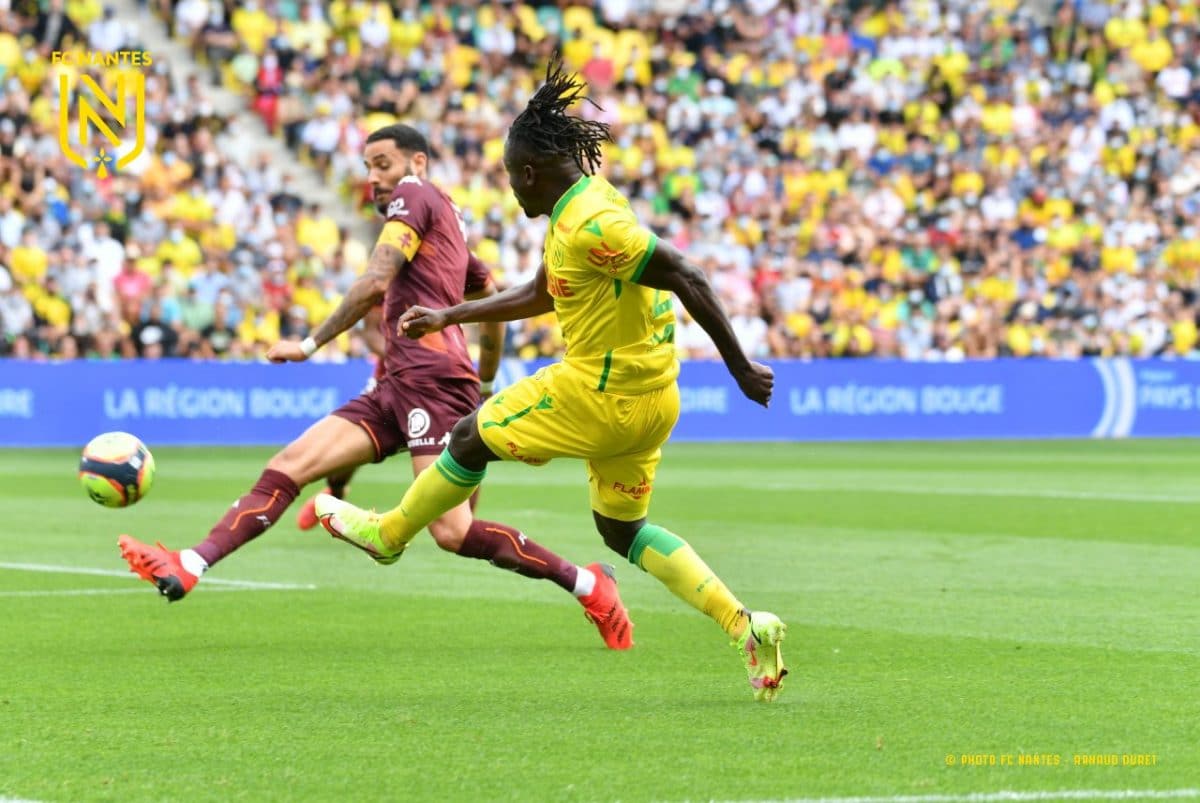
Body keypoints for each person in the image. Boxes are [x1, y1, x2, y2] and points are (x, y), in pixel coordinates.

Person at [315, 61, 786, 700]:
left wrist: (739, 366)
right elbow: (543, 290)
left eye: (512, 178)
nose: (512, 192)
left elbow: (686, 273)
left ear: (531, 173)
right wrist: (452, 315)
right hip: (653, 402)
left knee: (468, 438)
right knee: (620, 531)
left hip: (598, 393)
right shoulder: (585, 207)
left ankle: (390, 533)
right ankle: (744, 625)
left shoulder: (593, 223)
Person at [118, 124, 633, 650]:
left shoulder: (415, 195)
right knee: (288, 466)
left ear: (417, 163)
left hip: (434, 385)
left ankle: (589, 583)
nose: (374, 178)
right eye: (367, 167)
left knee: (453, 532)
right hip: (401, 383)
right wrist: (484, 379)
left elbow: (377, 282)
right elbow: (487, 292)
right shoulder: (447, 225)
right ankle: (191, 563)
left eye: (383, 164)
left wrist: (309, 344)